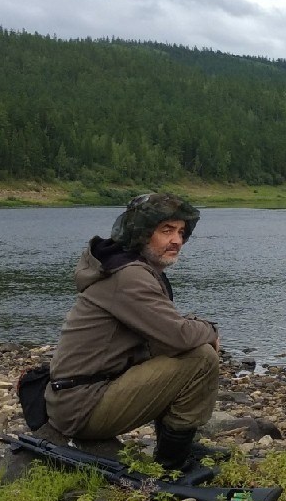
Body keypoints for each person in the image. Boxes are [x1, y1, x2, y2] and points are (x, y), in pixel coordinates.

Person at [42, 192, 222, 470]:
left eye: (181, 232)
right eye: (166, 231)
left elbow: (166, 336)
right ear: (141, 233)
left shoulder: (130, 267)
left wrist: (197, 330)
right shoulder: (129, 276)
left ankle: (179, 446)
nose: (177, 240)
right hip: (82, 404)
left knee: (179, 350)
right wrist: (209, 330)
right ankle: (172, 464)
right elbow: (180, 335)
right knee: (201, 357)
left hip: (78, 394)